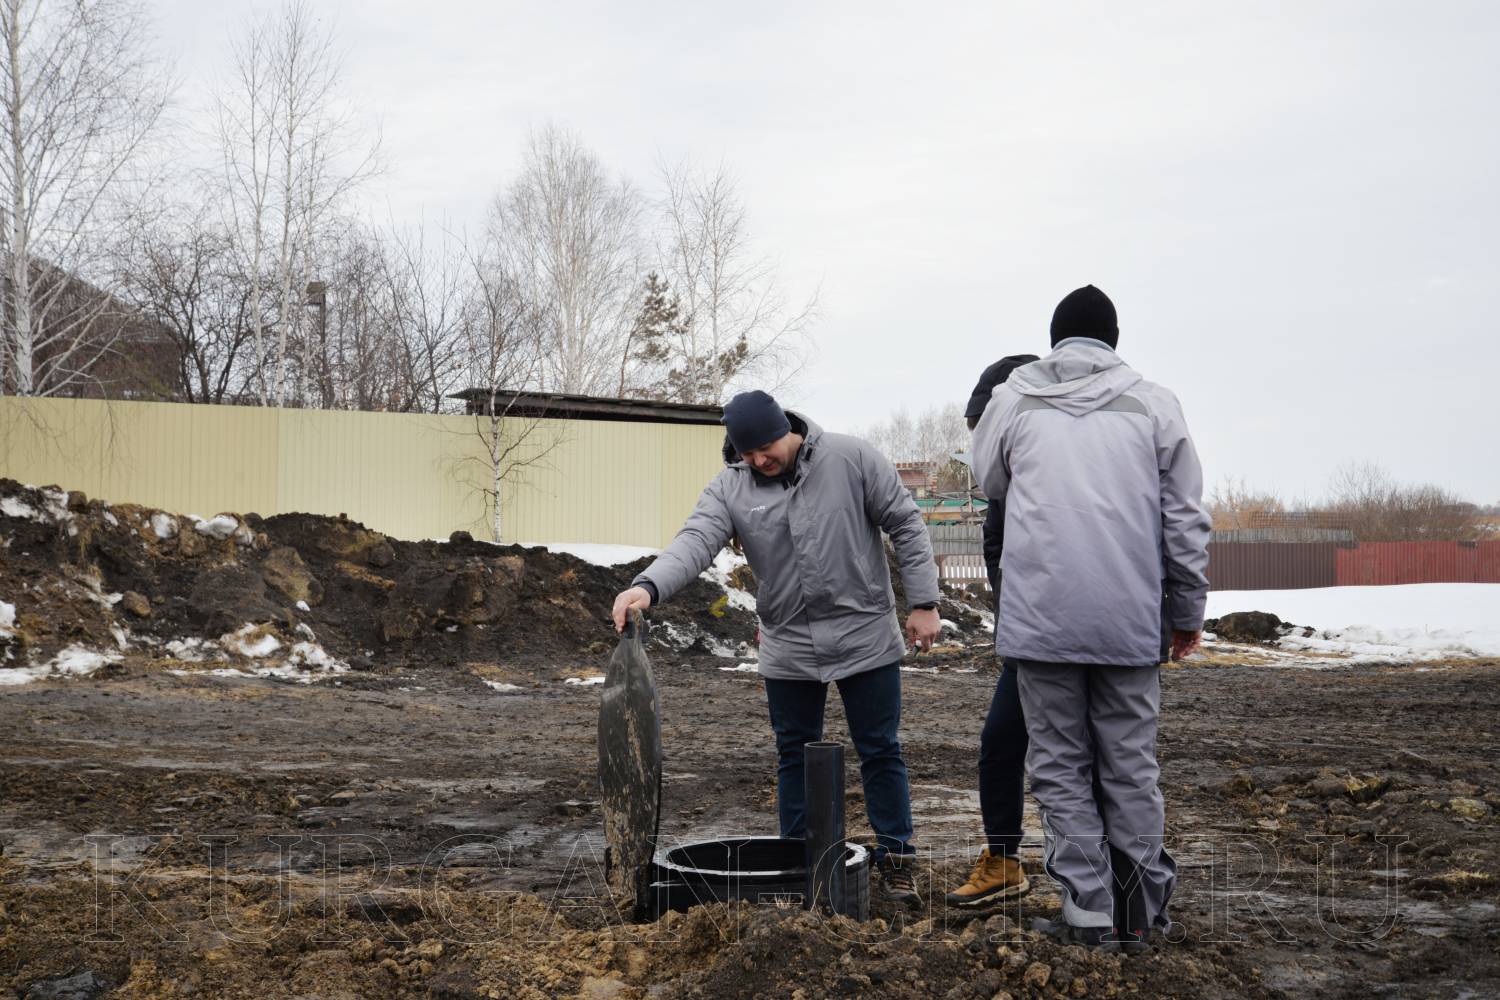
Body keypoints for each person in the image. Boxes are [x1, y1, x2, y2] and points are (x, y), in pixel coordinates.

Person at [611, 390, 942, 907]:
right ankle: (798, 864)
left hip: (865, 632)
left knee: (879, 748)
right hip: (788, 640)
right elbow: (695, 541)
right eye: (748, 453)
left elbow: (905, 522)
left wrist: (923, 602)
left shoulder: (851, 459)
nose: (759, 460)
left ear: (786, 430)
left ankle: (898, 861)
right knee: (794, 754)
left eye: (766, 448)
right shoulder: (731, 487)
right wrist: (647, 587)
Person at [970, 286, 1210, 951]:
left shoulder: (1014, 399)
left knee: (1060, 765)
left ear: (1054, 340)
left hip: (1042, 622)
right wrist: (1186, 608)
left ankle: (1089, 914)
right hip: (1129, 621)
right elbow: (1185, 519)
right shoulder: (1155, 404)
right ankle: (1139, 914)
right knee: (1130, 765)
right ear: (1114, 340)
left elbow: (989, 480)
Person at [944, 353, 1039, 909]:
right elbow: (1000, 558)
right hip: (1026, 639)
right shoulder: (1005, 485)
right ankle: (1004, 861)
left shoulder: (1054, 475)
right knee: (1000, 744)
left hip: (1074, 637)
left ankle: (1104, 881)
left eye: (984, 427)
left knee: (1079, 758)